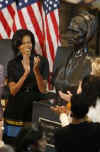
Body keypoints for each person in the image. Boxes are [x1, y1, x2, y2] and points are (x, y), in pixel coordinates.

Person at [3, 29, 49, 146]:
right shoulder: (13, 64)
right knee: (13, 143)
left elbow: (43, 89)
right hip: (16, 108)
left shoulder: (42, 61)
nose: (27, 45)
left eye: (29, 42)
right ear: (18, 46)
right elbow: (13, 91)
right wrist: (26, 73)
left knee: (31, 143)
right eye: (23, 43)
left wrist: (36, 70)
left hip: (34, 107)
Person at [54, 84, 100, 152]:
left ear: (71, 109)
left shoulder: (60, 134)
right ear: (87, 110)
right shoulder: (96, 129)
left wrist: (63, 115)